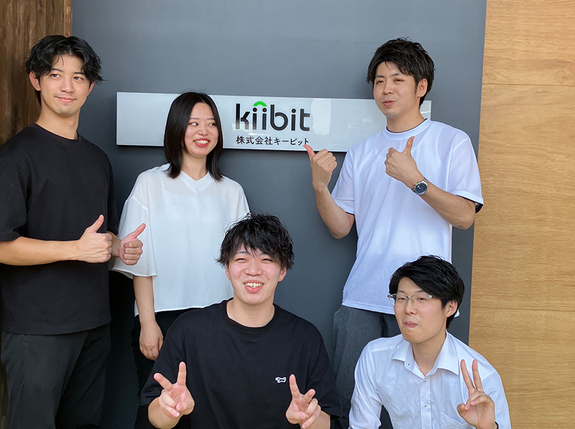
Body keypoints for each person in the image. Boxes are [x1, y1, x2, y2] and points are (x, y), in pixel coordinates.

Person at [305, 38, 484, 427]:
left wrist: (415, 180)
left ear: (421, 86)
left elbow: (465, 216)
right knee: (350, 401)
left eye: (398, 79)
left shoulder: (451, 141)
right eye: (380, 81)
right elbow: (340, 227)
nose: (386, 89)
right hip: (363, 298)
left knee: (422, 405)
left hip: (424, 298)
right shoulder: (362, 151)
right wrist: (320, 187)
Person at [0, 35, 145, 428]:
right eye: (56, 75)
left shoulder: (97, 159)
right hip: (37, 330)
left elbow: (100, 239)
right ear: (36, 80)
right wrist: (75, 249)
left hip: (94, 324)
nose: (67, 86)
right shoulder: (15, 157)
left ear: (90, 87)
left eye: (78, 77)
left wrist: (117, 248)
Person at [112, 92, 249, 428]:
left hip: (220, 320)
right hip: (163, 320)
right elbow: (139, 260)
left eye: (211, 124)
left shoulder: (231, 191)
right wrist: (147, 323)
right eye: (194, 123)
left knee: (212, 413)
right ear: (177, 128)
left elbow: (245, 265)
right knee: (159, 412)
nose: (204, 131)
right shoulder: (150, 183)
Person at [141, 214, 341, 428]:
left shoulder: (305, 338)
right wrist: (170, 411)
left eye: (266, 260)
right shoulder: (189, 330)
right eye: (241, 259)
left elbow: (326, 420)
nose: (253, 270)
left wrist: (309, 419)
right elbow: (154, 413)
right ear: (227, 269)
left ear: (282, 270)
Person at [349, 256, 511, 428]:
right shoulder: (375, 357)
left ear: (450, 307)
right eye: (401, 298)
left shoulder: (482, 377)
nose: (408, 309)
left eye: (421, 299)